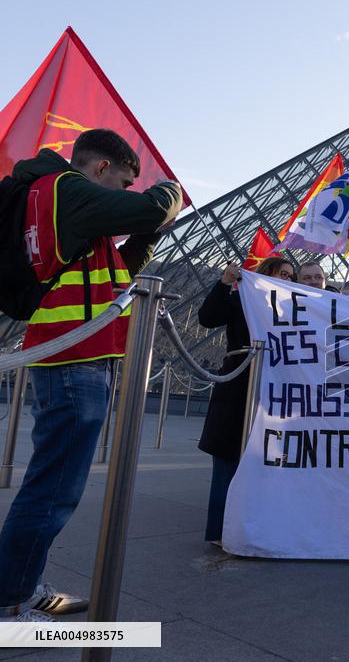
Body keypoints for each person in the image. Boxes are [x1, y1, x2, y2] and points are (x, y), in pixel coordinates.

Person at [0, 130, 183, 622]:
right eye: (124, 183)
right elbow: (150, 209)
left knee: (54, 482)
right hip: (73, 359)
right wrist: (170, 192)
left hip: (74, 353)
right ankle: (8, 607)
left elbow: (115, 273)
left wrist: (147, 233)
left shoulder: (62, 203)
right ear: (102, 169)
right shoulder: (66, 190)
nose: (126, 193)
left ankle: (19, 584)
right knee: (54, 487)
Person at [197, 257, 294, 545]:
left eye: (291, 276)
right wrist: (225, 282)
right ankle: (219, 531)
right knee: (227, 461)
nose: (287, 279)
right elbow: (207, 317)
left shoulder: (296, 312)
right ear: (265, 276)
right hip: (238, 387)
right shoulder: (242, 302)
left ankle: (257, 529)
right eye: (281, 273)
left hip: (275, 394)